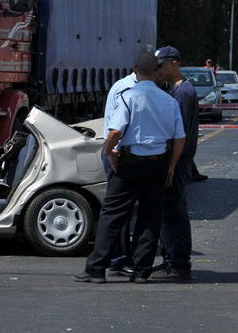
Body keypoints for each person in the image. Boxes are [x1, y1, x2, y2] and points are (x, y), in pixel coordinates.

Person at [74, 52, 186, 284]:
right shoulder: (170, 101)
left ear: (134, 69)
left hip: (130, 163)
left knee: (112, 215)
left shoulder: (129, 96)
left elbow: (115, 132)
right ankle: (142, 271)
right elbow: (179, 138)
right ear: (156, 73)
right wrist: (172, 166)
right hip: (158, 163)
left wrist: (109, 152)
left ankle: (96, 269)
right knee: (150, 216)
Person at [152, 46, 198, 281]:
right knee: (168, 212)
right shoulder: (173, 90)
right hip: (174, 161)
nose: (157, 71)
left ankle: (179, 264)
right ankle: (170, 259)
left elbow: (177, 134)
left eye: (160, 66)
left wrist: (170, 166)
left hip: (177, 163)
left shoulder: (183, 93)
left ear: (174, 64)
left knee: (174, 213)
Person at [100, 69, 138, 276]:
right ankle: (119, 258)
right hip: (117, 153)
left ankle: (118, 257)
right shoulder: (128, 90)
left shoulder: (130, 87)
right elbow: (115, 131)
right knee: (119, 210)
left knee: (122, 209)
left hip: (118, 152)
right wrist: (111, 152)